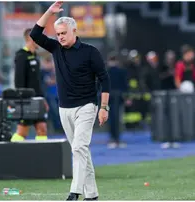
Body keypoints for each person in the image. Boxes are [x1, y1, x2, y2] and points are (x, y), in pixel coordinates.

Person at [30, 1, 110, 200]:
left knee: (79, 148)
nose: (60, 37)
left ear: (74, 31)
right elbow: (35, 35)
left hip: (87, 106)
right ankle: (92, 195)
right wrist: (49, 12)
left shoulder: (90, 52)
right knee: (82, 151)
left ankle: (75, 191)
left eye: (63, 33)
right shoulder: (56, 49)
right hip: (64, 108)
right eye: (58, 34)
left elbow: (104, 79)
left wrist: (104, 107)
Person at [10, 28, 49, 142]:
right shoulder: (21, 55)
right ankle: (9, 152)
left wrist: (42, 100)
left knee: (42, 128)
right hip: (26, 100)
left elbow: (37, 82)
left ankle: (41, 154)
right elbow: (19, 82)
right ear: (31, 39)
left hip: (37, 99)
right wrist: (22, 101)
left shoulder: (35, 56)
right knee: (22, 131)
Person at [106, 53, 128, 149]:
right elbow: (125, 85)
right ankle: (117, 139)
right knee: (117, 118)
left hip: (108, 97)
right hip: (118, 97)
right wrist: (126, 97)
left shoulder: (105, 71)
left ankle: (112, 138)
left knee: (111, 118)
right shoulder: (121, 71)